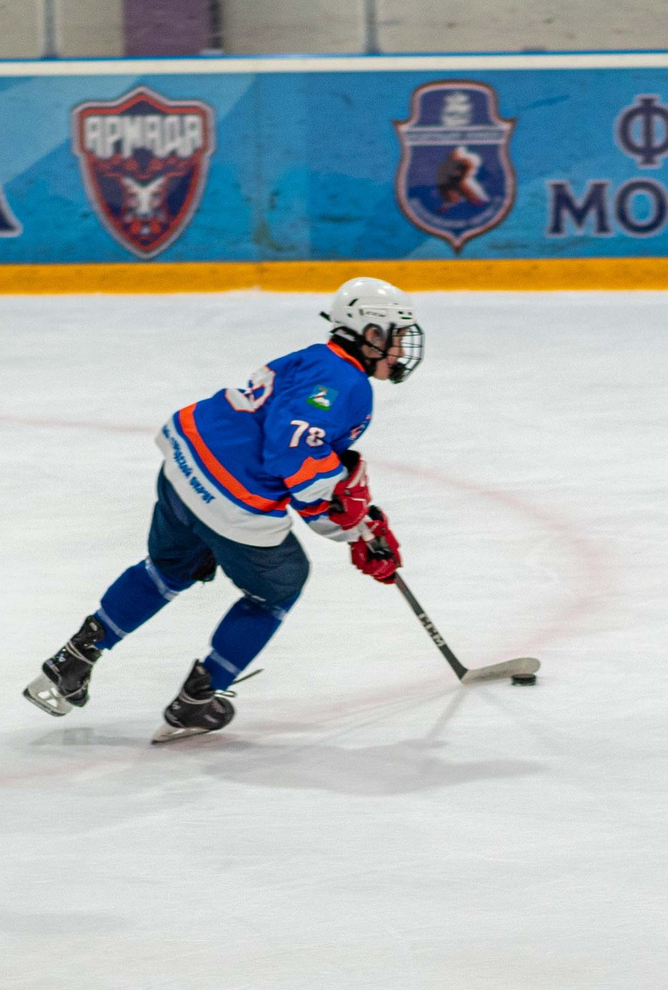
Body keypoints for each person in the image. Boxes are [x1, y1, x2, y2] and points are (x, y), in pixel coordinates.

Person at [23, 276, 425, 742]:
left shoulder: (313, 358)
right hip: (234, 498)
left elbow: (305, 457)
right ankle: (199, 697)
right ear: (371, 334)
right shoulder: (346, 381)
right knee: (279, 587)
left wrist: (355, 525)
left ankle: (72, 659)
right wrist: (352, 528)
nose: (400, 349)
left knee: (168, 570)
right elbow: (292, 450)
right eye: (395, 335)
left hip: (185, 466)